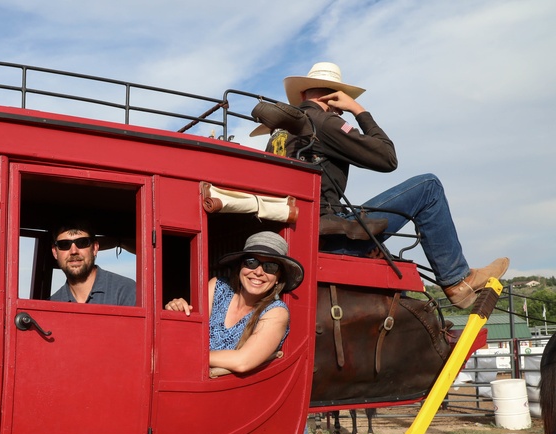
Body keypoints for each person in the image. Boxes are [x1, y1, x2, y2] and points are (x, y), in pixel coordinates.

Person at [275, 62, 508, 308]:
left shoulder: (280, 133)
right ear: (334, 99)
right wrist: (358, 110)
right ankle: (458, 280)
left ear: (302, 95)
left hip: (299, 232)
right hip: (330, 236)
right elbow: (387, 158)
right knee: (429, 186)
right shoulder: (324, 123)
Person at [165, 231, 304, 373]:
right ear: (240, 267)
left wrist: (188, 355)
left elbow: (242, 362)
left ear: (278, 278)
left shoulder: (276, 312)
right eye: (251, 262)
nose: (258, 272)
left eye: (270, 267)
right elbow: (190, 336)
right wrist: (178, 313)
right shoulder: (217, 286)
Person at [49, 221, 136, 305]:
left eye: (82, 242)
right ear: (55, 252)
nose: (74, 251)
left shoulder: (126, 291)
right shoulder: (51, 305)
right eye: (64, 244)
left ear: (95, 248)